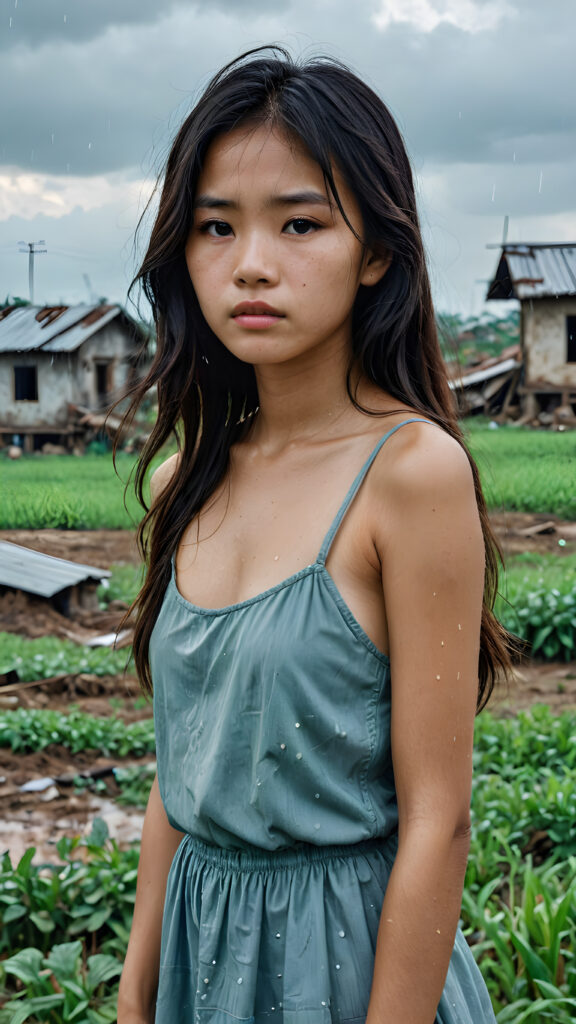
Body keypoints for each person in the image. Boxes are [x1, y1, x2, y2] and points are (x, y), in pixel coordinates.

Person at [117, 46, 517, 1024]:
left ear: (375, 249)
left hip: (347, 964)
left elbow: (439, 820)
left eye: (300, 222)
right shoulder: (185, 481)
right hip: (202, 963)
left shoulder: (409, 474)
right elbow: (182, 781)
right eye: (217, 227)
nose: (252, 262)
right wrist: (134, 1000)